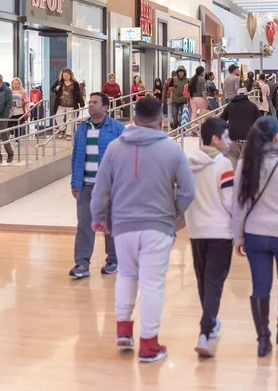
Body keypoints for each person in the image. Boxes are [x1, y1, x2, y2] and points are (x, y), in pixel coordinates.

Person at [90, 96, 195, 362]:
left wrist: (99, 216)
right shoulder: (172, 150)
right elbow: (188, 190)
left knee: (126, 275)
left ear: (134, 119)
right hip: (158, 226)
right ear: (161, 120)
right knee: (152, 285)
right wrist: (174, 216)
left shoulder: (114, 148)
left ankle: (124, 331)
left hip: (123, 226)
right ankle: (148, 345)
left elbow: (101, 187)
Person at [233, 116, 278, 357]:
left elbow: (239, 203)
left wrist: (238, 237)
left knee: (260, 286)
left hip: (255, 235)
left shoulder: (245, 162)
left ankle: (263, 339)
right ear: (277, 136)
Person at [186, 118, 234, 358]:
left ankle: (211, 322)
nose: (229, 142)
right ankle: (204, 332)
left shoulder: (188, 162)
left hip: (195, 230)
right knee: (214, 282)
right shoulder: (223, 164)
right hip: (219, 232)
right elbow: (230, 201)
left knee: (203, 281)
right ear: (215, 139)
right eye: (226, 137)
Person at [69, 92, 125, 278]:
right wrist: (74, 182)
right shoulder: (82, 128)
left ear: (106, 107)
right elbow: (76, 156)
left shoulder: (117, 128)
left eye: (95, 102)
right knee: (84, 225)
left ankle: (114, 260)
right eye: (89, 102)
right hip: (85, 186)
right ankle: (82, 264)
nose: (90, 105)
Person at [221, 88, 261, 169]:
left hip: (232, 137)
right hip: (248, 137)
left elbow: (222, 119)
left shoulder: (230, 106)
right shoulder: (252, 106)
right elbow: (260, 120)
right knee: (247, 160)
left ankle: (232, 178)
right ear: (247, 95)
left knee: (232, 157)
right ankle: (244, 178)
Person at [51, 68, 85, 141]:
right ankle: (62, 129)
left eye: (67, 75)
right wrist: (56, 89)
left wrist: (81, 102)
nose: (65, 77)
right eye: (64, 75)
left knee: (70, 120)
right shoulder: (59, 82)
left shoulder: (75, 83)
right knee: (58, 116)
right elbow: (52, 89)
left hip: (71, 104)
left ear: (70, 75)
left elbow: (78, 93)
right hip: (61, 104)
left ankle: (69, 134)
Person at [0, 73, 13, 163]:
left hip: (2, 116)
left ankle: (10, 153)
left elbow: (9, 103)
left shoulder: (6, 90)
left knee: (3, 136)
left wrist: (5, 114)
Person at [9, 77, 29, 142]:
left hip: (20, 111)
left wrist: (28, 110)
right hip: (10, 112)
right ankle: (11, 135)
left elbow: (26, 102)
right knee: (9, 125)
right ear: (12, 84)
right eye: (14, 84)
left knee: (18, 126)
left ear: (19, 84)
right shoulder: (9, 92)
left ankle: (17, 140)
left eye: (17, 84)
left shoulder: (23, 92)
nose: (16, 85)